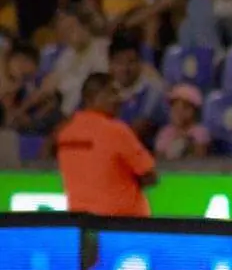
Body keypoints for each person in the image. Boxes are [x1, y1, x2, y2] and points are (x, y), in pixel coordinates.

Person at [55, 72, 157, 217]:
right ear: (91, 97)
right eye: (112, 93)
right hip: (123, 224)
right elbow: (150, 176)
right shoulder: (115, 130)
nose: (119, 99)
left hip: (81, 224)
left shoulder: (65, 133)